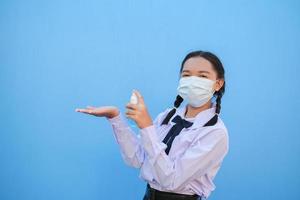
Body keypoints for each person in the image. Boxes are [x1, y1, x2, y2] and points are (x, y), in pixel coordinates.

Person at [76, 50, 229, 200]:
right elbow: (136, 159)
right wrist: (115, 117)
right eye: (187, 75)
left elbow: (172, 181)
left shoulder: (215, 132)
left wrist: (146, 126)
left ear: (218, 84)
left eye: (202, 76)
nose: (193, 81)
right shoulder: (167, 116)